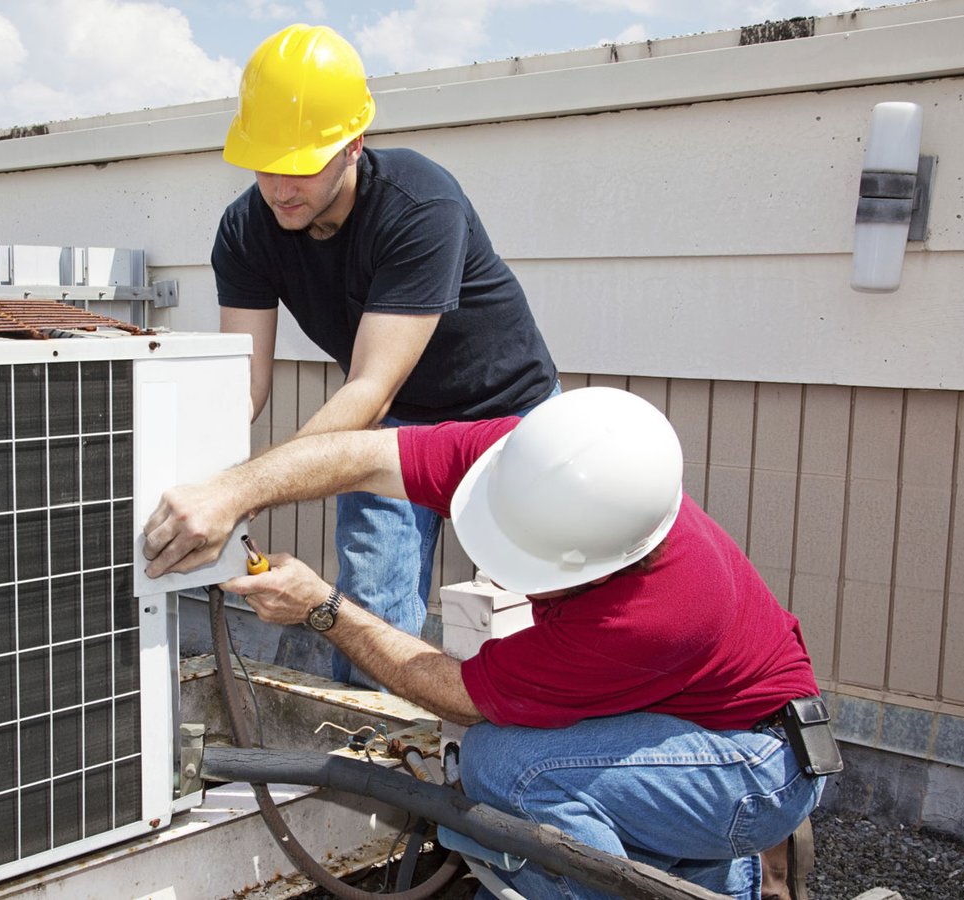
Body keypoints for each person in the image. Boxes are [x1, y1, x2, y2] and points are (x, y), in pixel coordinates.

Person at [142, 387, 829, 900]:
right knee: (503, 800)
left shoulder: (649, 613)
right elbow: (360, 455)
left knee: (509, 768)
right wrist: (231, 492)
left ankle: (685, 864)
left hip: (755, 770)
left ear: (603, 562)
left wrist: (322, 608)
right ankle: (705, 876)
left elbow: (463, 698)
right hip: (696, 724)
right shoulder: (536, 458)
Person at [213, 23, 559, 684]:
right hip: (395, 422)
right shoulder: (246, 229)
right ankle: (374, 764)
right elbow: (244, 381)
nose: (282, 186)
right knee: (369, 603)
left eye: (305, 163)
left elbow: (369, 384)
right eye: (267, 163)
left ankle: (528, 756)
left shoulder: (419, 204)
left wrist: (244, 489)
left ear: (353, 146)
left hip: (509, 417)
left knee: (545, 599)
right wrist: (204, 473)